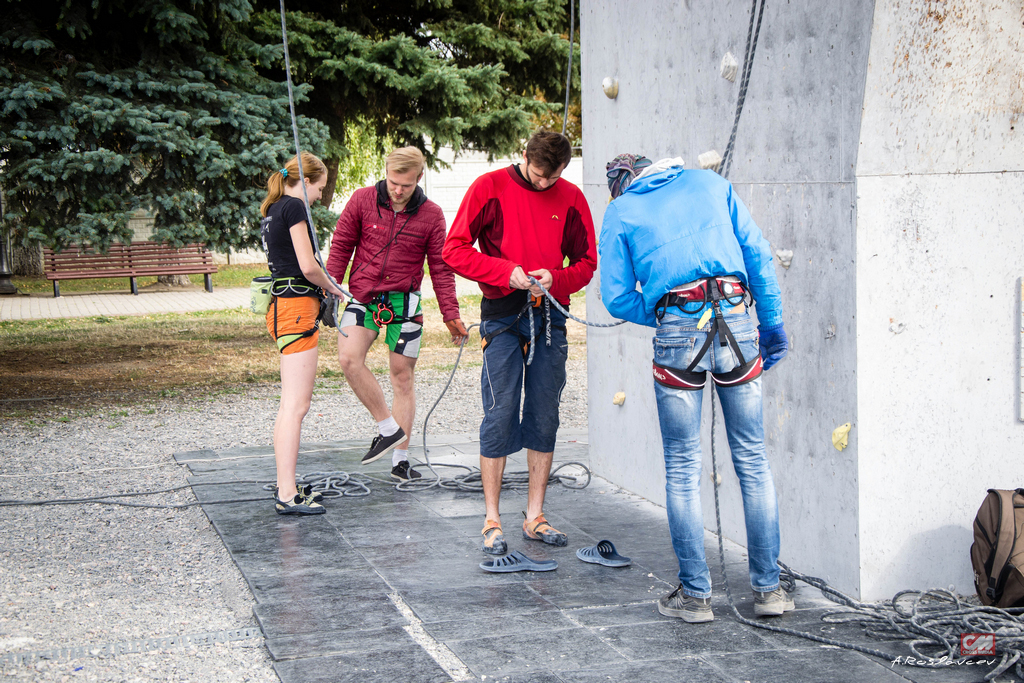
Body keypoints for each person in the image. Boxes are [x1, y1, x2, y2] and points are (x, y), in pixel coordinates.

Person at [599, 154, 792, 622]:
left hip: (678, 334)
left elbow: (618, 296)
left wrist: (666, 311)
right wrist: (772, 324)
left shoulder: (621, 211)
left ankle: (695, 596)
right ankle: (769, 592)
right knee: (752, 458)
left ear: (622, 183)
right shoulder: (711, 183)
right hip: (737, 320)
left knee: (683, 466)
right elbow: (758, 255)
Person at [442, 131, 597, 555]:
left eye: (553, 177)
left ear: (564, 168)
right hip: (502, 316)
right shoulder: (488, 188)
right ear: (523, 155)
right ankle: (492, 519)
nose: (544, 183)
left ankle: (535, 515)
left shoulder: (571, 197)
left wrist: (557, 278)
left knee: (545, 411)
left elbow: (587, 262)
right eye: (537, 174)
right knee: (500, 410)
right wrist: (502, 271)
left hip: (549, 316)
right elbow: (453, 250)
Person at [326, 147, 467, 481]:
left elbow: (441, 268)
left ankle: (400, 461)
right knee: (348, 360)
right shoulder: (362, 200)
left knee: (402, 378)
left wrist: (451, 313)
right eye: (393, 182)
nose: (398, 189)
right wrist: (330, 290)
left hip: (405, 304)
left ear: (418, 178)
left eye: (405, 184)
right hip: (362, 297)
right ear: (385, 172)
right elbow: (341, 247)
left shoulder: (432, 215)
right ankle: (388, 427)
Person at [259, 152, 347, 515]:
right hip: (295, 308)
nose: (318, 198)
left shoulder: (273, 208)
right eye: (319, 189)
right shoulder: (293, 208)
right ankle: (286, 493)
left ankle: (287, 485)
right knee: (296, 406)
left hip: (283, 308)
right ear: (306, 181)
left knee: (290, 406)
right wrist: (336, 289)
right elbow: (309, 266)